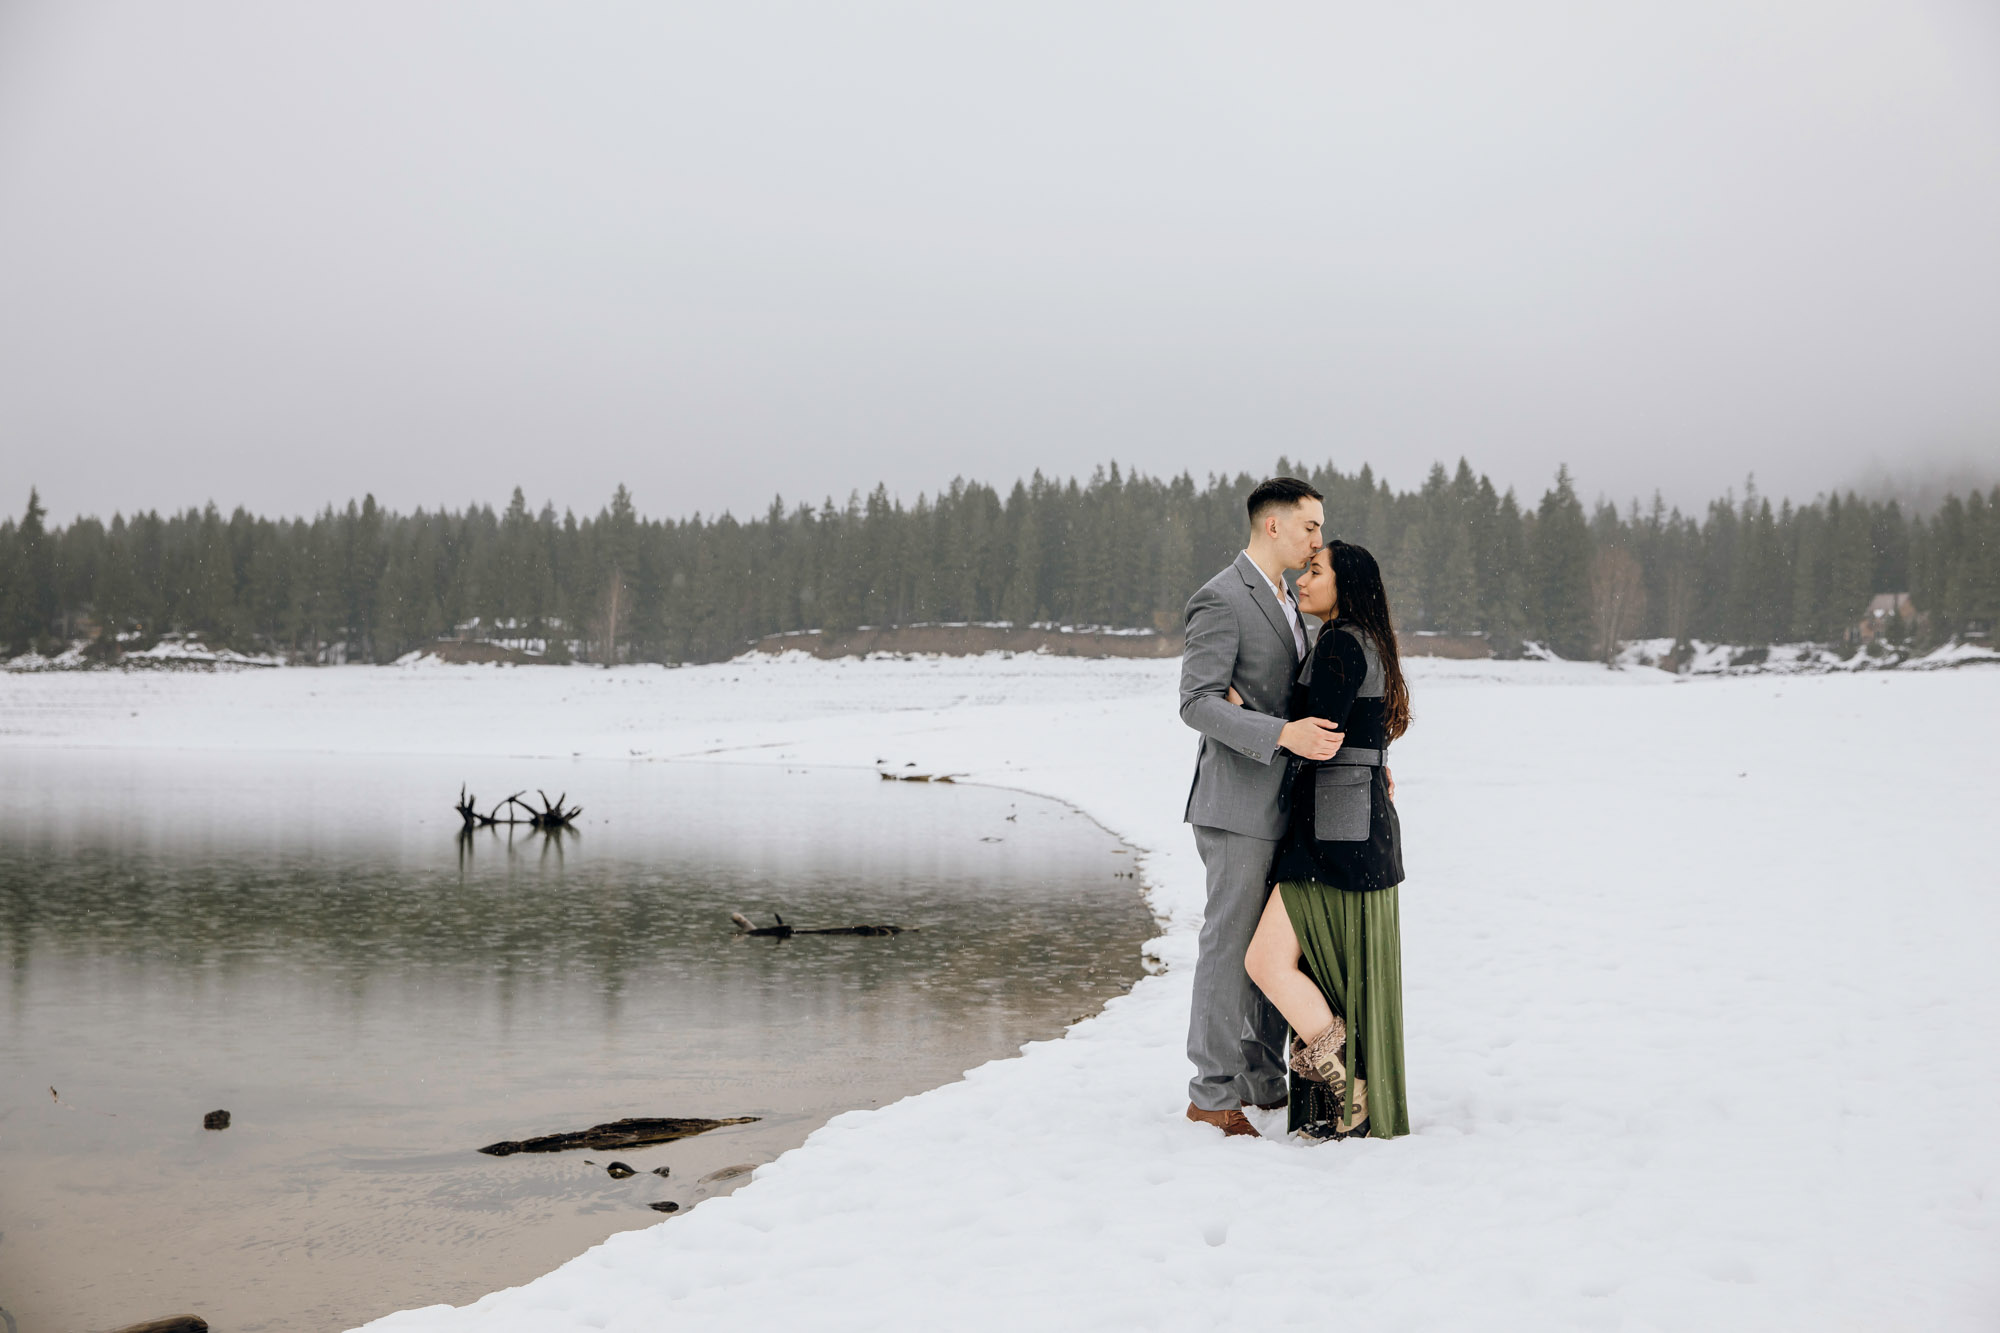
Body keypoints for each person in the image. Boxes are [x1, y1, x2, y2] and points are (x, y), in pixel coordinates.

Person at [1178, 477, 1345, 1138]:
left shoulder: (1287, 600)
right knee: (1228, 948)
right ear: (1273, 526)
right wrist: (1280, 733)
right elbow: (1195, 702)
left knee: (1270, 949)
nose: (1316, 540)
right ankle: (1212, 1092)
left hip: (1282, 808)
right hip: (1236, 806)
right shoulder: (1221, 597)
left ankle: (1261, 1078)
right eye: (1309, 526)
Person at [1245, 540, 1411, 1141]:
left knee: (1266, 962)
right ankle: (1343, 1091)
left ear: (1348, 586)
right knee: (1314, 966)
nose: (1305, 578)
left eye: (1317, 571)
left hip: (1334, 835)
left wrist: (1251, 706)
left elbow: (1320, 726)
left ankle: (1350, 1091)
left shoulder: (1342, 641)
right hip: (1351, 824)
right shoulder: (1361, 640)